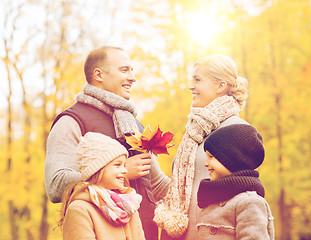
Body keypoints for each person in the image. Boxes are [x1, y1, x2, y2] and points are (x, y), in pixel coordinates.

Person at [45, 46, 169, 240]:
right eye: (124, 70)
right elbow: (56, 184)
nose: (132, 77)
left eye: (132, 70)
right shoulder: (71, 121)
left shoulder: (133, 124)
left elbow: (158, 185)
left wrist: (208, 191)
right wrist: (120, 170)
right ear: (99, 74)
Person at [154, 54, 250, 239]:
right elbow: (182, 191)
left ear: (220, 86)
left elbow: (246, 197)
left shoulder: (238, 130)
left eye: (197, 79)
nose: (191, 85)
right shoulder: (195, 131)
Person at [59, 132, 145, 240]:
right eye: (117, 165)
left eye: (124, 165)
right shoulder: (79, 210)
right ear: (98, 169)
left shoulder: (129, 206)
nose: (125, 171)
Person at [197, 124, 274, 239]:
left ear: (232, 160)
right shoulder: (214, 199)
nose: (206, 163)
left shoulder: (249, 202)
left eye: (211, 156)